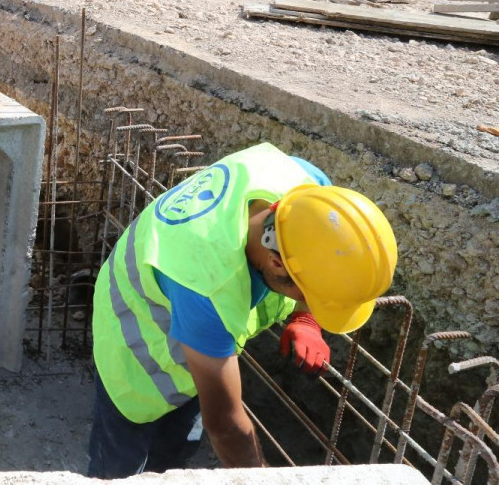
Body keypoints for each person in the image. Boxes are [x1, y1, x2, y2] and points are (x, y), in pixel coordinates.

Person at [88, 142, 397, 478]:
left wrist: (306, 317)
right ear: (276, 262)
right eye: (308, 295)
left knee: (174, 451)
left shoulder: (309, 192)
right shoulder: (207, 284)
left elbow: (319, 257)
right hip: (136, 346)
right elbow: (225, 425)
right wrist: (259, 477)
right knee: (119, 463)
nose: (310, 302)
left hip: (193, 326)